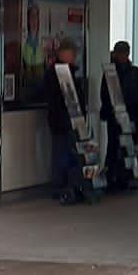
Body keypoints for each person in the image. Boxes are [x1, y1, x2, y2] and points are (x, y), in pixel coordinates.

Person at [42, 39, 87, 203]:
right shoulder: (55, 73)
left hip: (71, 120)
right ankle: (60, 188)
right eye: (73, 53)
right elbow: (55, 99)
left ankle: (71, 185)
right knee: (61, 154)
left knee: (70, 154)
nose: (75, 57)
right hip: (61, 121)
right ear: (64, 53)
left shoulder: (70, 72)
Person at [100, 41, 138, 192]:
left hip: (131, 116)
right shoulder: (111, 73)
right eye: (119, 53)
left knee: (129, 148)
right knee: (114, 147)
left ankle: (127, 177)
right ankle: (113, 177)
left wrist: (133, 108)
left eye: (123, 53)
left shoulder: (135, 73)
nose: (121, 56)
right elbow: (105, 95)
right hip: (116, 117)